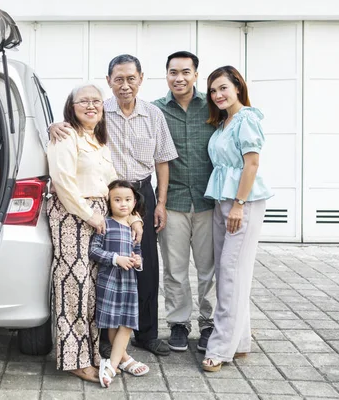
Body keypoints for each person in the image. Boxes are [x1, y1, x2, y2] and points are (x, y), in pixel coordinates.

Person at [50, 54, 178, 357]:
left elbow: (162, 161)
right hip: (108, 195)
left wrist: (160, 202)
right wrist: (52, 126)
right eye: (118, 79)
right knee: (106, 268)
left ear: (141, 79)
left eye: (131, 79)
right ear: (109, 81)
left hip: (141, 194)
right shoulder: (97, 109)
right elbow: (70, 128)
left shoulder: (154, 114)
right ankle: (106, 337)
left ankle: (146, 333)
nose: (124, 85)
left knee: (144, 265)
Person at [46, 83, 142, 382]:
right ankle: (75, 359)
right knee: (73, 286)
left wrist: (133, 216)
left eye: (96, 101)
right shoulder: (65, 135)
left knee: (94, 288)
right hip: (74, 216)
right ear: (71, 108)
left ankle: (100, 353)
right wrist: (91, 215)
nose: (91, 106)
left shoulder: (97, 140)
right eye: (83, 101)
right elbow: (62, 182)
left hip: (101, 215)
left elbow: (113, 182)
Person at [201, 66, 273, 371]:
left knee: (230, 273)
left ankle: (220, 348)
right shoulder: (224, 122)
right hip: (222, 201)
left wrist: (239, 205)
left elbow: (252, 164)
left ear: (237, 87)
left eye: (223, 88)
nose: (218, 95)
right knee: (229, 272)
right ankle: (240, 340)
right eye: (213, 91)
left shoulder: (246, 119)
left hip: (242, 203)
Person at [153, 51, 216, 352]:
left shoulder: (214, 107)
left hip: (209, 201)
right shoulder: (155, 110)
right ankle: (178, 324)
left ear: (195, 75)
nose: (179, 78)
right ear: (166, 75)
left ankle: (209, 323)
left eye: (185, 72)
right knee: (174, 268)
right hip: (173, 201)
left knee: (209, 268)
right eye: (173, 72)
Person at [89, 180, 150, 388]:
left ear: (134, 202)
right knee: (113, 322)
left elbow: (138, 252)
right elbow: (94, 250)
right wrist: (116, 258)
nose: (123, 204)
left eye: (127, 200)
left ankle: (112, 367)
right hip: (110, 280)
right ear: (109, 201)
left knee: (127, 322)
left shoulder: (134, 230)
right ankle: (120, 362)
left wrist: (137, 261)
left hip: (129, 281)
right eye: (117, 200)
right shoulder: (106, 224)